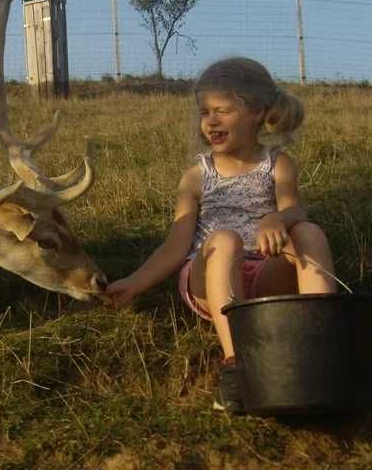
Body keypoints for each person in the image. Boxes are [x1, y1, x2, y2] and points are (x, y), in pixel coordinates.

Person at [104, 57, 337, 413]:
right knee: (225, 239)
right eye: (204, 112)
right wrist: (134, 284)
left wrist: (279, 218)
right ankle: (236, 367)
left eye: (222, 111)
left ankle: (322, 348)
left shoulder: (277, 164)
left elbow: (296, 210)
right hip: (208, 277)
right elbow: (177, 245)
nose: (210, 121)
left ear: (257, 112)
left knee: (309, 231)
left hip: (263, 273)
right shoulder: (197, 176)